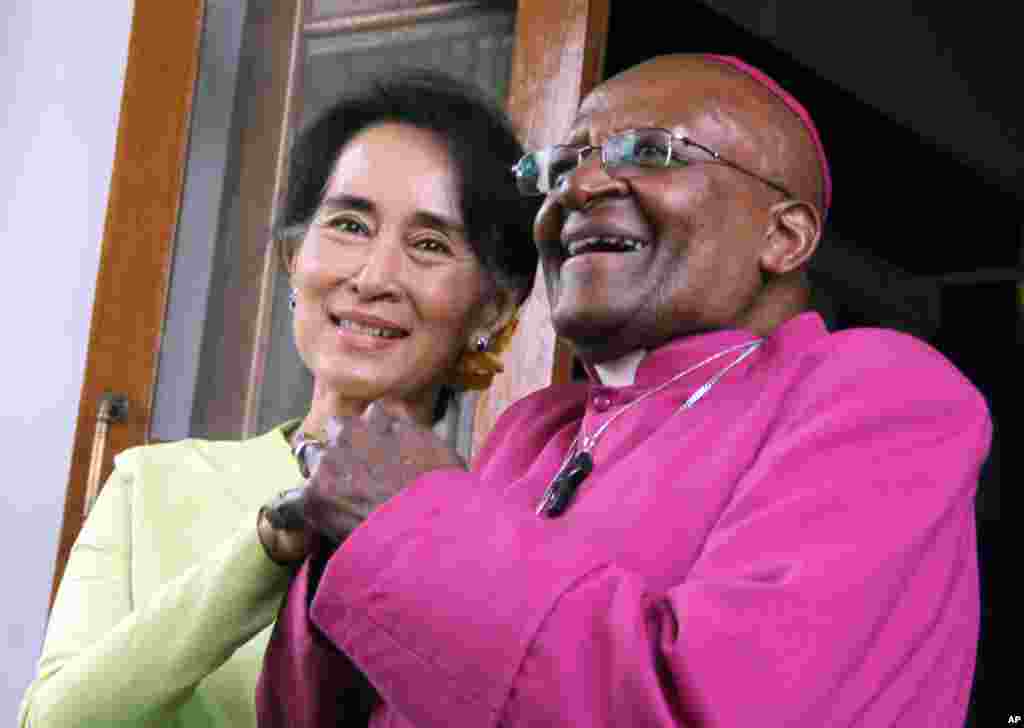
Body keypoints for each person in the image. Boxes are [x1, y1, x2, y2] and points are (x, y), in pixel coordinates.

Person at [256, 53, 992, 727]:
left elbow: (714, 710)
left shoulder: (875, 396)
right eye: (560, 166)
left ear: (784, 237)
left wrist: (412, 523)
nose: (577, 188)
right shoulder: (535, 432)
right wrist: (339, 537)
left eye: (649, 153)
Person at [18, 69, 537, 728]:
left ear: (491, 307)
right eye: (349, 224)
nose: (374, 277)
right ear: (295, 259)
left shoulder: (502, 525)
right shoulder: (151, 484)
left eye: (429, 244)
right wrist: (269, 546)